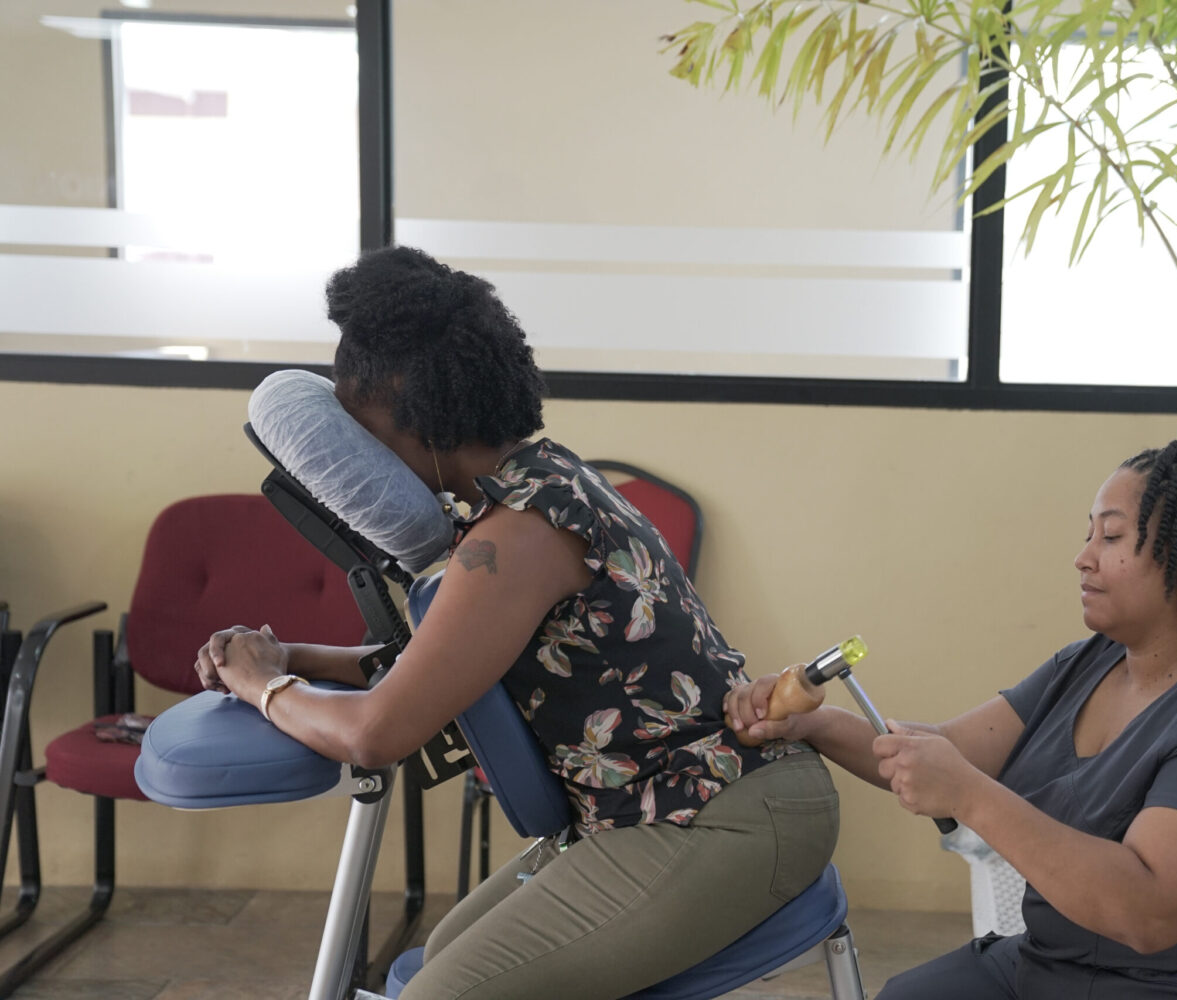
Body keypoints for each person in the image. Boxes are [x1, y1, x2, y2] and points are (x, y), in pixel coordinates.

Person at [194, 246, 839, 1000]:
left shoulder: (518, 535)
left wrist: (263, 687)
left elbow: (376, 733)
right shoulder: (539, 483)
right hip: (651, 807)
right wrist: (290, 656)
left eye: (357, 424)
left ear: (406, 407)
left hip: (722, 813)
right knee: (437, 960)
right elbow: (443, 668)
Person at [725, 442, 1177, 998]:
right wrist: (811, 724)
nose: (1082, 558)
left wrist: (967, 795)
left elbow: (1148, 911)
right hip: (1060, 966)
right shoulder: (1092, 662)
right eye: (1088, 535)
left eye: (1111, 537)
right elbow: (946, 750)